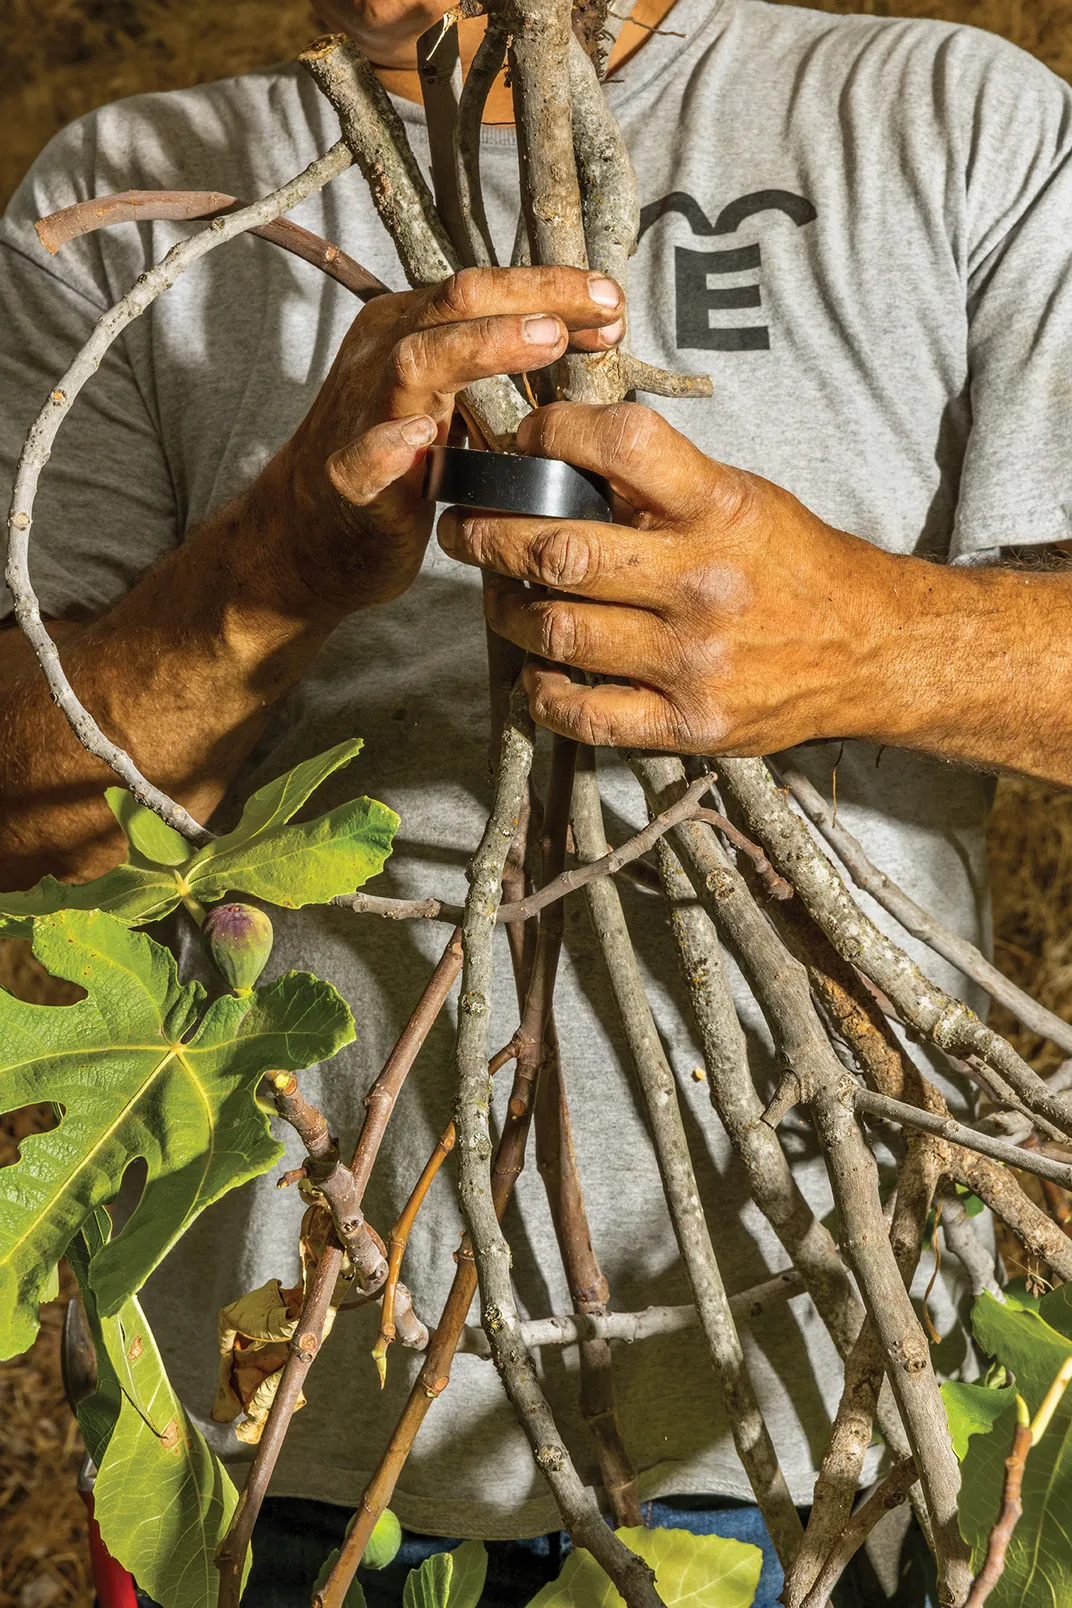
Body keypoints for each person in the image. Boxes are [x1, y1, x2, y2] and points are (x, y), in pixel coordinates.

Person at [2, 0, 1071, 1602]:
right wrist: (261, 577)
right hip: (271, 1453)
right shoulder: (124, 184)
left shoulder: (951, 123)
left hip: (829, 1429)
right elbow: (24, 828)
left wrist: (864, 639)